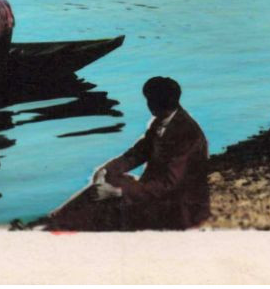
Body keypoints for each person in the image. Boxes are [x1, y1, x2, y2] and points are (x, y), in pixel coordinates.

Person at [43, 76, 211, 231]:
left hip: (179, 205)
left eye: (149, 100)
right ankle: (58, 220)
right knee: (108, 180)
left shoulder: (187, 133)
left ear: (157, 103)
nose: (148, 104)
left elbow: (168, 184)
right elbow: (137, 154)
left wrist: (117, 192)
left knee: (109, 197)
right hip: (157, 192)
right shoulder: (163, 121)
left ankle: (58, 223)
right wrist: (106, 169)